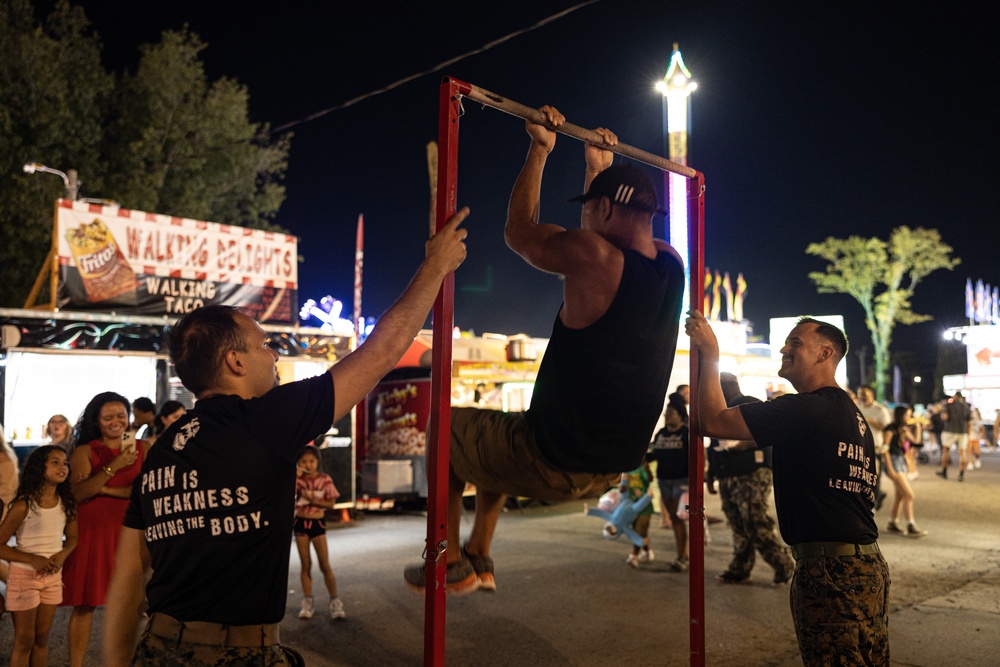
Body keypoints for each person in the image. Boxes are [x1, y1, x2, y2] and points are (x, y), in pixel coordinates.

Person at [102, 207, 469, 666]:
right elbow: (381, 353)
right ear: (235, 363)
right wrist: (434, 268)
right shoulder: (267, 420)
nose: (273, 353)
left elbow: (128, 579)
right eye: (262, 344)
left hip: (157, 651)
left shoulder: (160, 454)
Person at [404, 106, 684, 595]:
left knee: (445, 428)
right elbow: (599, 242)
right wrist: (597, 171)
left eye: (593, 207)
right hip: (611, 464)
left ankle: (444, 560)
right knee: (496, 434)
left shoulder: (593, 256)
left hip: (552, 459)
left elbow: (520, 233)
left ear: (607, 211)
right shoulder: (671, 264)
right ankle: (479, 556)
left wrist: (539, 149)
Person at [686, 311, 888, 666]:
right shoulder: (850, 415)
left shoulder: (808, 408)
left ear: (825, 353)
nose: (783, 348)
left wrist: (710, 353)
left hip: (831, 571)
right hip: (865, 565)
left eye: (795, 342)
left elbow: (710, 420)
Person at [62, 392, 147, 667]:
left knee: (132, 605)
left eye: (121, 415)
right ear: (96, 421)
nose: (115, 422)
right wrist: (114, 466)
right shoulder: (86, 451)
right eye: (108, 417)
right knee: (85, 604)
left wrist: (102, 487)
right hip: (93, 533)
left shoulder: (142, 448)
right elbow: (78, 493)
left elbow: (141, 492)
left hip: (130, 532)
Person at [712, 373, 794, 585]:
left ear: (729, 386)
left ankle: (782, 562)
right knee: (737, 522)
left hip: (752, 472)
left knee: (755, 520)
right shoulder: (718, 410)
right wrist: (711, 471)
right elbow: (713, 445)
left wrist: (745, 445)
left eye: (718, 386)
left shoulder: (750, 404)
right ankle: (740, 567)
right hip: (727, 473)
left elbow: (771, 433)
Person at [0, 446, 78, 667]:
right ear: (38, 467)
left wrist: (63, 555)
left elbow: (73, 538)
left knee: (42, 639)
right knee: (24, 641)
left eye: (65, 463)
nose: (62, 467)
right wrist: (32, 559)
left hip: (52, 579)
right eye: (55, 462)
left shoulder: (67, 504)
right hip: (24, 578)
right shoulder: (25, 504)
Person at [294, 445, 345, 620]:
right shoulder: (298, 481)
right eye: (304, 461)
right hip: (300, 523)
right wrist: (295, 477)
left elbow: (331, 504)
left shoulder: (325, 479)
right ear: (299, 463)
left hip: (317, 524)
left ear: (318, 462)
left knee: (324, 564)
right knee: (305, 564)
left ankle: (335, 601)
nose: (308, 464)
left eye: (312, 461)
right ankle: (308, 602)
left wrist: (311, 501)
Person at [647, 393, 690, 572]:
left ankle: (684, 556)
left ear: (680, 415)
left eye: (671, 413)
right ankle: (682, 555)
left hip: (682, 482)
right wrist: (645, 464)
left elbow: (696, 456)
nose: (667, 416)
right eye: (666, 413)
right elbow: (654, 454)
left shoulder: (686, 433)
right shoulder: (661, 434)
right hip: (664, 481)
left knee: (681, 518)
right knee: (674, 519)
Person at [882, 405, 927, 538]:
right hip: (893, 462)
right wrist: (890, 468)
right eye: (907, 414)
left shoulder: (903, 429)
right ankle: (911, 524)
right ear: (901, 415)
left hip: (901, 461)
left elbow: (916, 443)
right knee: (909, 495)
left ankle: (892, 522)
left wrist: (918, 427)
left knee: (900, 495)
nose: (909, 417)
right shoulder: (890, 429)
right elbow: (885, 449)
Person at [857, 385, 891, 510]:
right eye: (860, 393)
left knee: (874, 478)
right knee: (861, 477)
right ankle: (871, 499)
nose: (861, 395)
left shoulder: (880, 410)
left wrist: (870, 420)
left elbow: (887, 428)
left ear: (871, 394)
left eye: (864, 393)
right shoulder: (857, 408)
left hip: (875, 448)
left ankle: (873, 504)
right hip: (861, 448)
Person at [621, 460, 655, 567]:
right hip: (631, 507)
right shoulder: (625, 470)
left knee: (639, 531)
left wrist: (647, 470)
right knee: (637, 530)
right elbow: (623, 488)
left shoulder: (642, 468)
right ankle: (646, 549)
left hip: (645, 506)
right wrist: (622, 488)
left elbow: (650, 479)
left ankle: (634, 555)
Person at [937, 391, 971, 481]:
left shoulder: (948, 405)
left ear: (954, 397)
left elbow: (944, 417)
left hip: (949, 430)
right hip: (963, 432)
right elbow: (969, 421)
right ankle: (961, 474)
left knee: (946, 451)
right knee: (962, 453)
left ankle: (944, 471)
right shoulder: (966, 407)